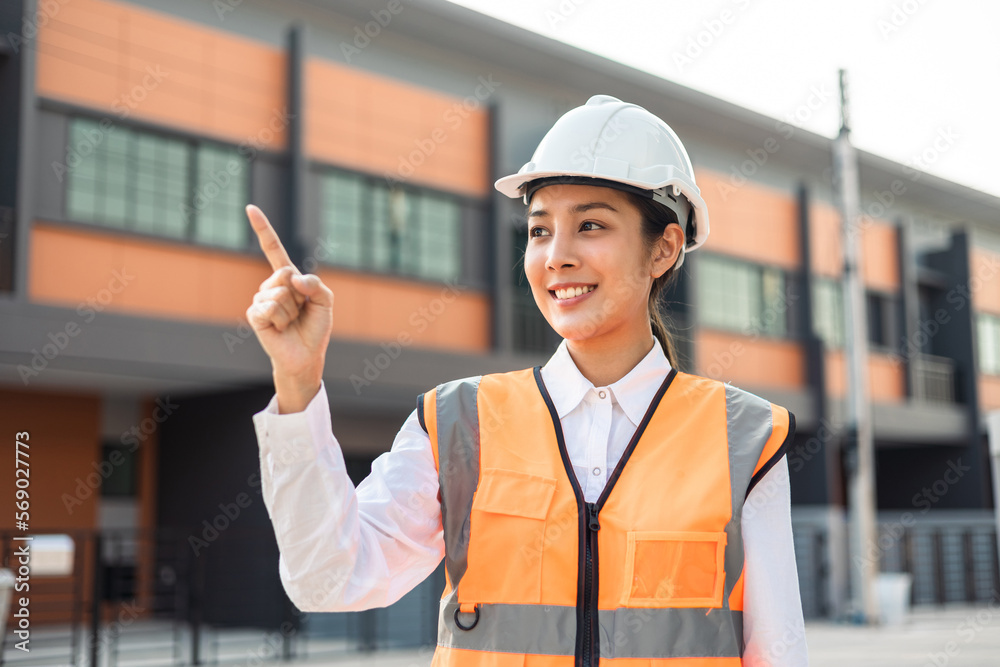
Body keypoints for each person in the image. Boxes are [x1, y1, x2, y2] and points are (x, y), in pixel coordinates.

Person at [247, 95, 810, 666]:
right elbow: (328, 579)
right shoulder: (459, 423)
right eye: (539, 231)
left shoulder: (743, 437)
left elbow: (780, 652)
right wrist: (297, 384)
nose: (557, 256)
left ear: (663, 248)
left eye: (591, 225)